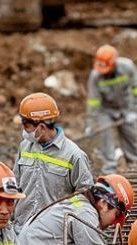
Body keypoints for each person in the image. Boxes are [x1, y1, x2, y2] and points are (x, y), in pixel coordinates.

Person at [15, 173, 135, 245]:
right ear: (103, 203)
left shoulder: (78, 204)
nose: (114, 223)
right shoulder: (84, 213)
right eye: (117, 215)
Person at [14, 92, 93, 224]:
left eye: (26, 126)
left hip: (53, 234)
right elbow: (15, 185)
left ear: (41, 127)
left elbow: (85, 198)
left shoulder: (74, 155)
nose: (24, 131)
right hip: (21, 229)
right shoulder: (24, 147)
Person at [84, 44, 137, 169]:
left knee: (131, 137)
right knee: (105, 138)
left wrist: (134, 110)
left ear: (113, 63)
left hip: (126, 107)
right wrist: (91, 124)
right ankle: (109, 168)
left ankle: (135, 165)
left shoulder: (127, 67)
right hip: (105, 110)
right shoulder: (95, 76)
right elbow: (93, 102)